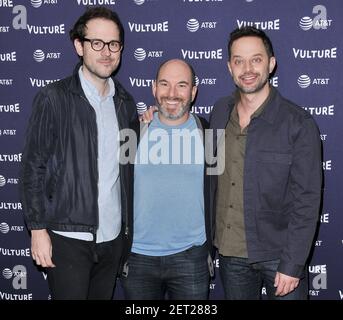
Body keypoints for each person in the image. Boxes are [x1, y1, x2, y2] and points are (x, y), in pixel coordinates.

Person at [20, 7, 138, 300]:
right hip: (67, 238)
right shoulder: (53, 98)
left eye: (113, 44)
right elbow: (32, 168)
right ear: (79, 46)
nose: (106, 52)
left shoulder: (125, 103)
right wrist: (37, 230)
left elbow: (127, 167)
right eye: (96, 43)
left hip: (112, 239)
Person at [210, 26, 322, 300]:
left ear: (271, 64)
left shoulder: (298, 124)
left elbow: (307, 200)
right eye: (238, 60)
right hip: (230, 252)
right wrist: (151, 118)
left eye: (256, 59)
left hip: (279, 255)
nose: (247, 68)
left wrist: (292, 264)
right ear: (229, 67)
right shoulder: (219, 112)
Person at [120, 59, 215, 300]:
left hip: (191, 257)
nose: (172, 93)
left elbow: (221, 195)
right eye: (165, 84)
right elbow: (117, 189)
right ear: (154, 88)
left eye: (181, 85)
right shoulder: (132, 133)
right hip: (138, 257)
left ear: (193, 92)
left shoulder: (211, 137)